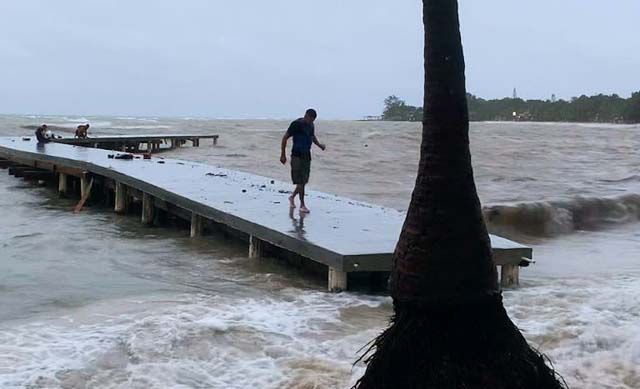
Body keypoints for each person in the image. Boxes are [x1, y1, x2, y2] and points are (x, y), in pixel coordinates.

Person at [280, 108, 326, 213]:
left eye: (313, 121)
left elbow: (312, 136)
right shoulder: (296, 124)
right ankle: (302, 204)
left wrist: (319, 145)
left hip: (306, 156)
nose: (311, 122)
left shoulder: (311, 126)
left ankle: (292, 197)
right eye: (310, 119)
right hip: (296, 155)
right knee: (300, 182)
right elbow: (284, 138)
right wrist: (283, 155)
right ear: (306, 116)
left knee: (303, 182)